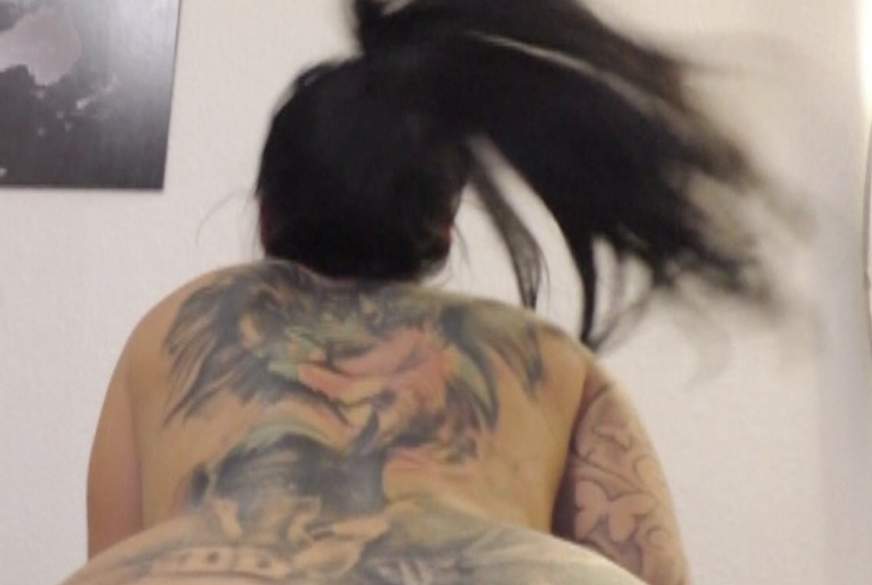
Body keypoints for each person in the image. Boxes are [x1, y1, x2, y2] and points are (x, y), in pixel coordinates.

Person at [65, 1, 767, 584]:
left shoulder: (173, 327)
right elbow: (653, 566)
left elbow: (116, 550)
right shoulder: (548, 357)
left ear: (266, 211)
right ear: (445, 224)